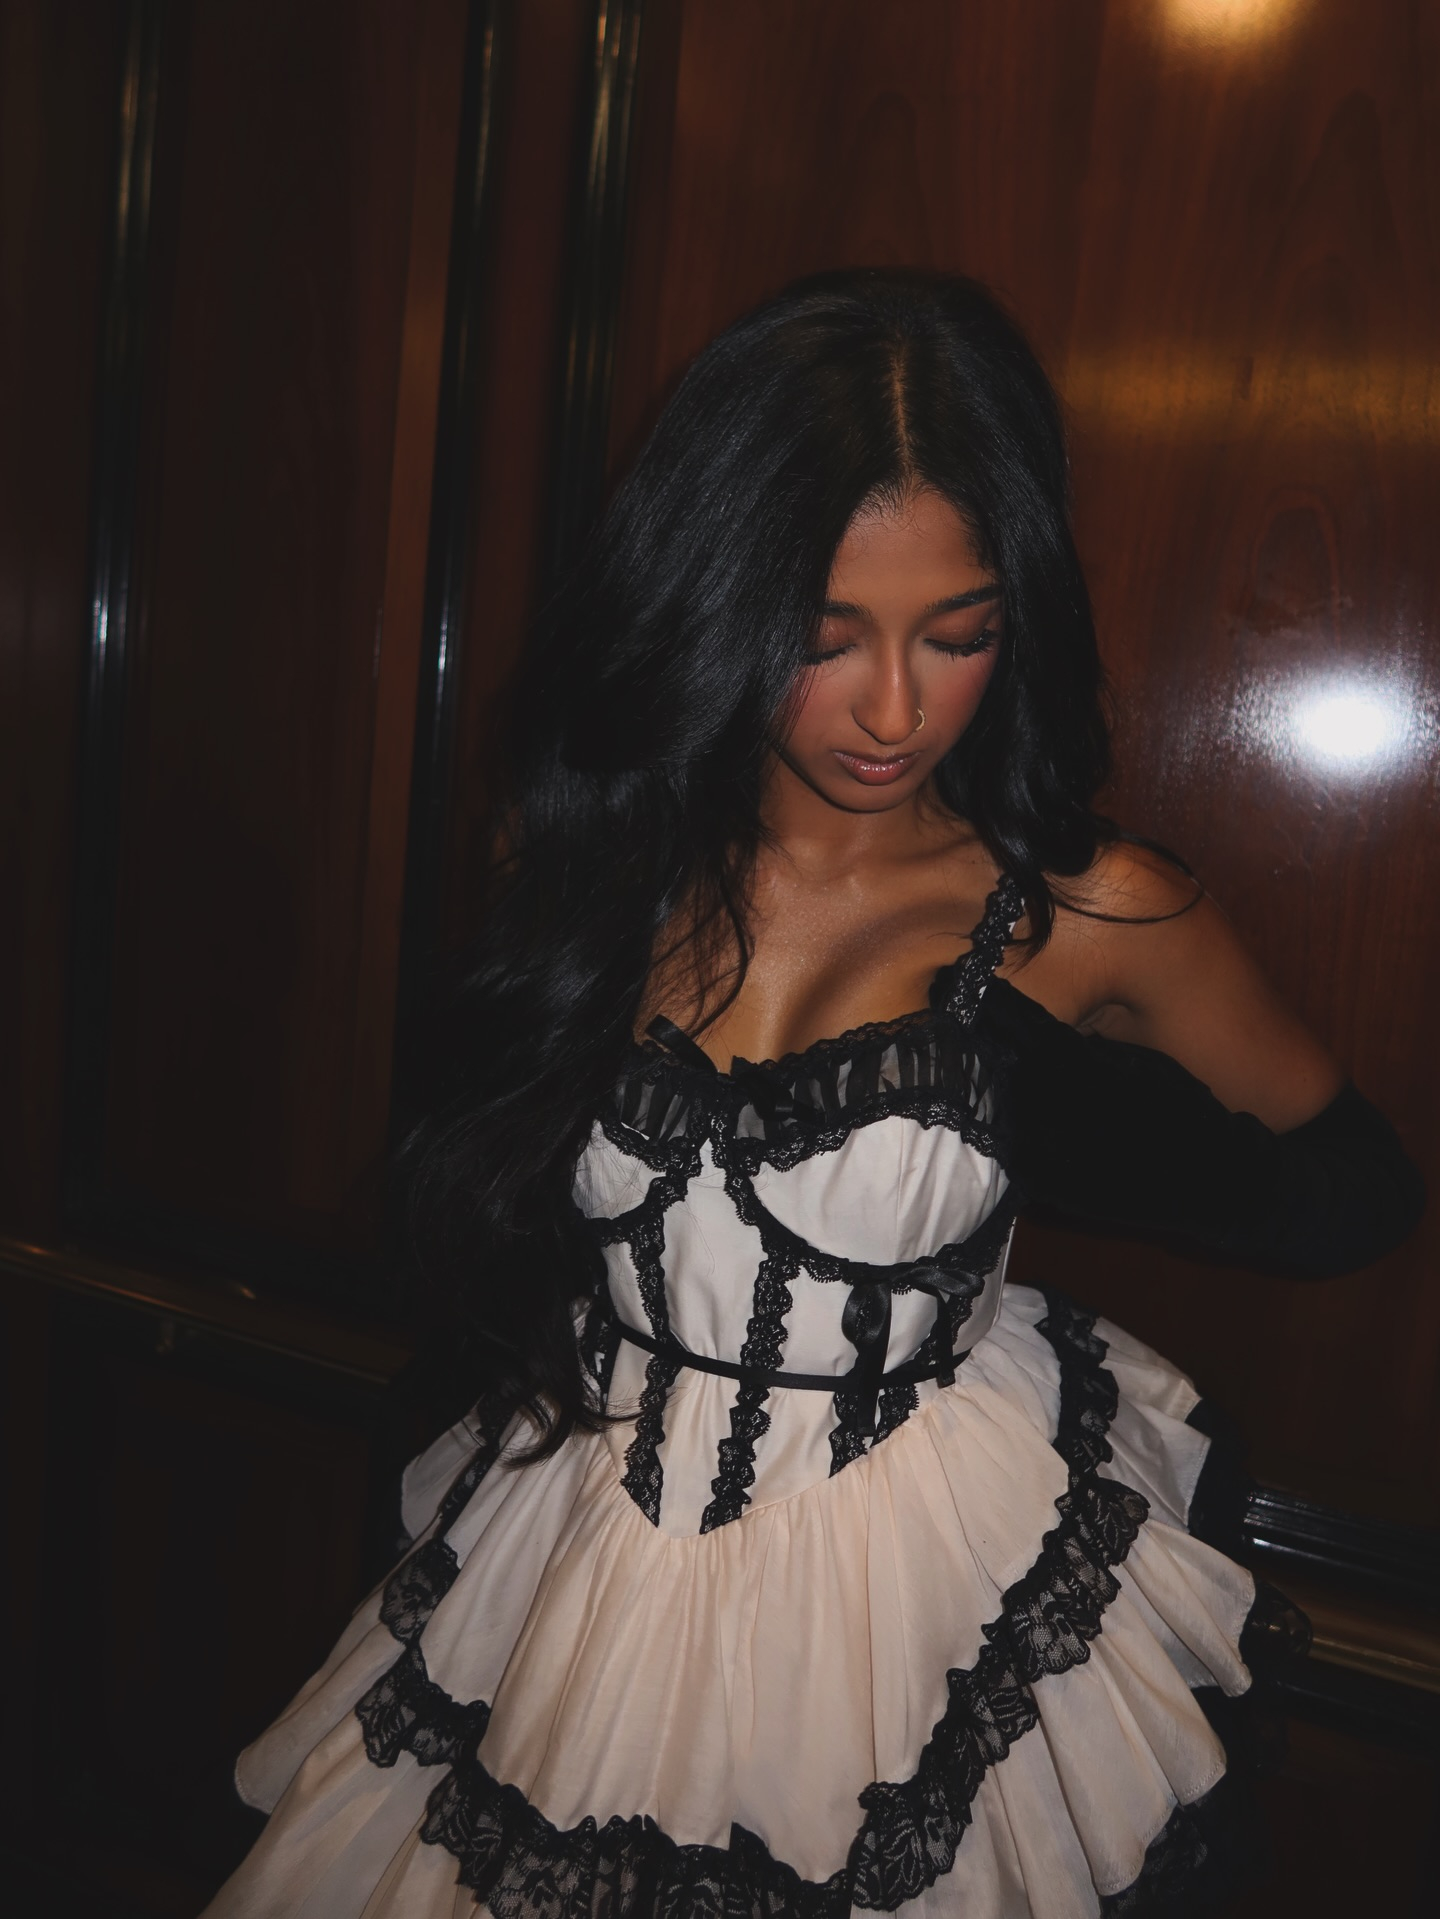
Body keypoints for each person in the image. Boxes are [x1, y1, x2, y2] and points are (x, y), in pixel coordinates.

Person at [203, 272, 1424, 1918]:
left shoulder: (1091, 914)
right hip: (578, 1547)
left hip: (911, 1578)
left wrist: (1061, 1122)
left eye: (960, 634)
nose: (898, 710)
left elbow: (1356, 1189)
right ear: (707, 602)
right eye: (822, 636)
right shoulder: (600, 868)